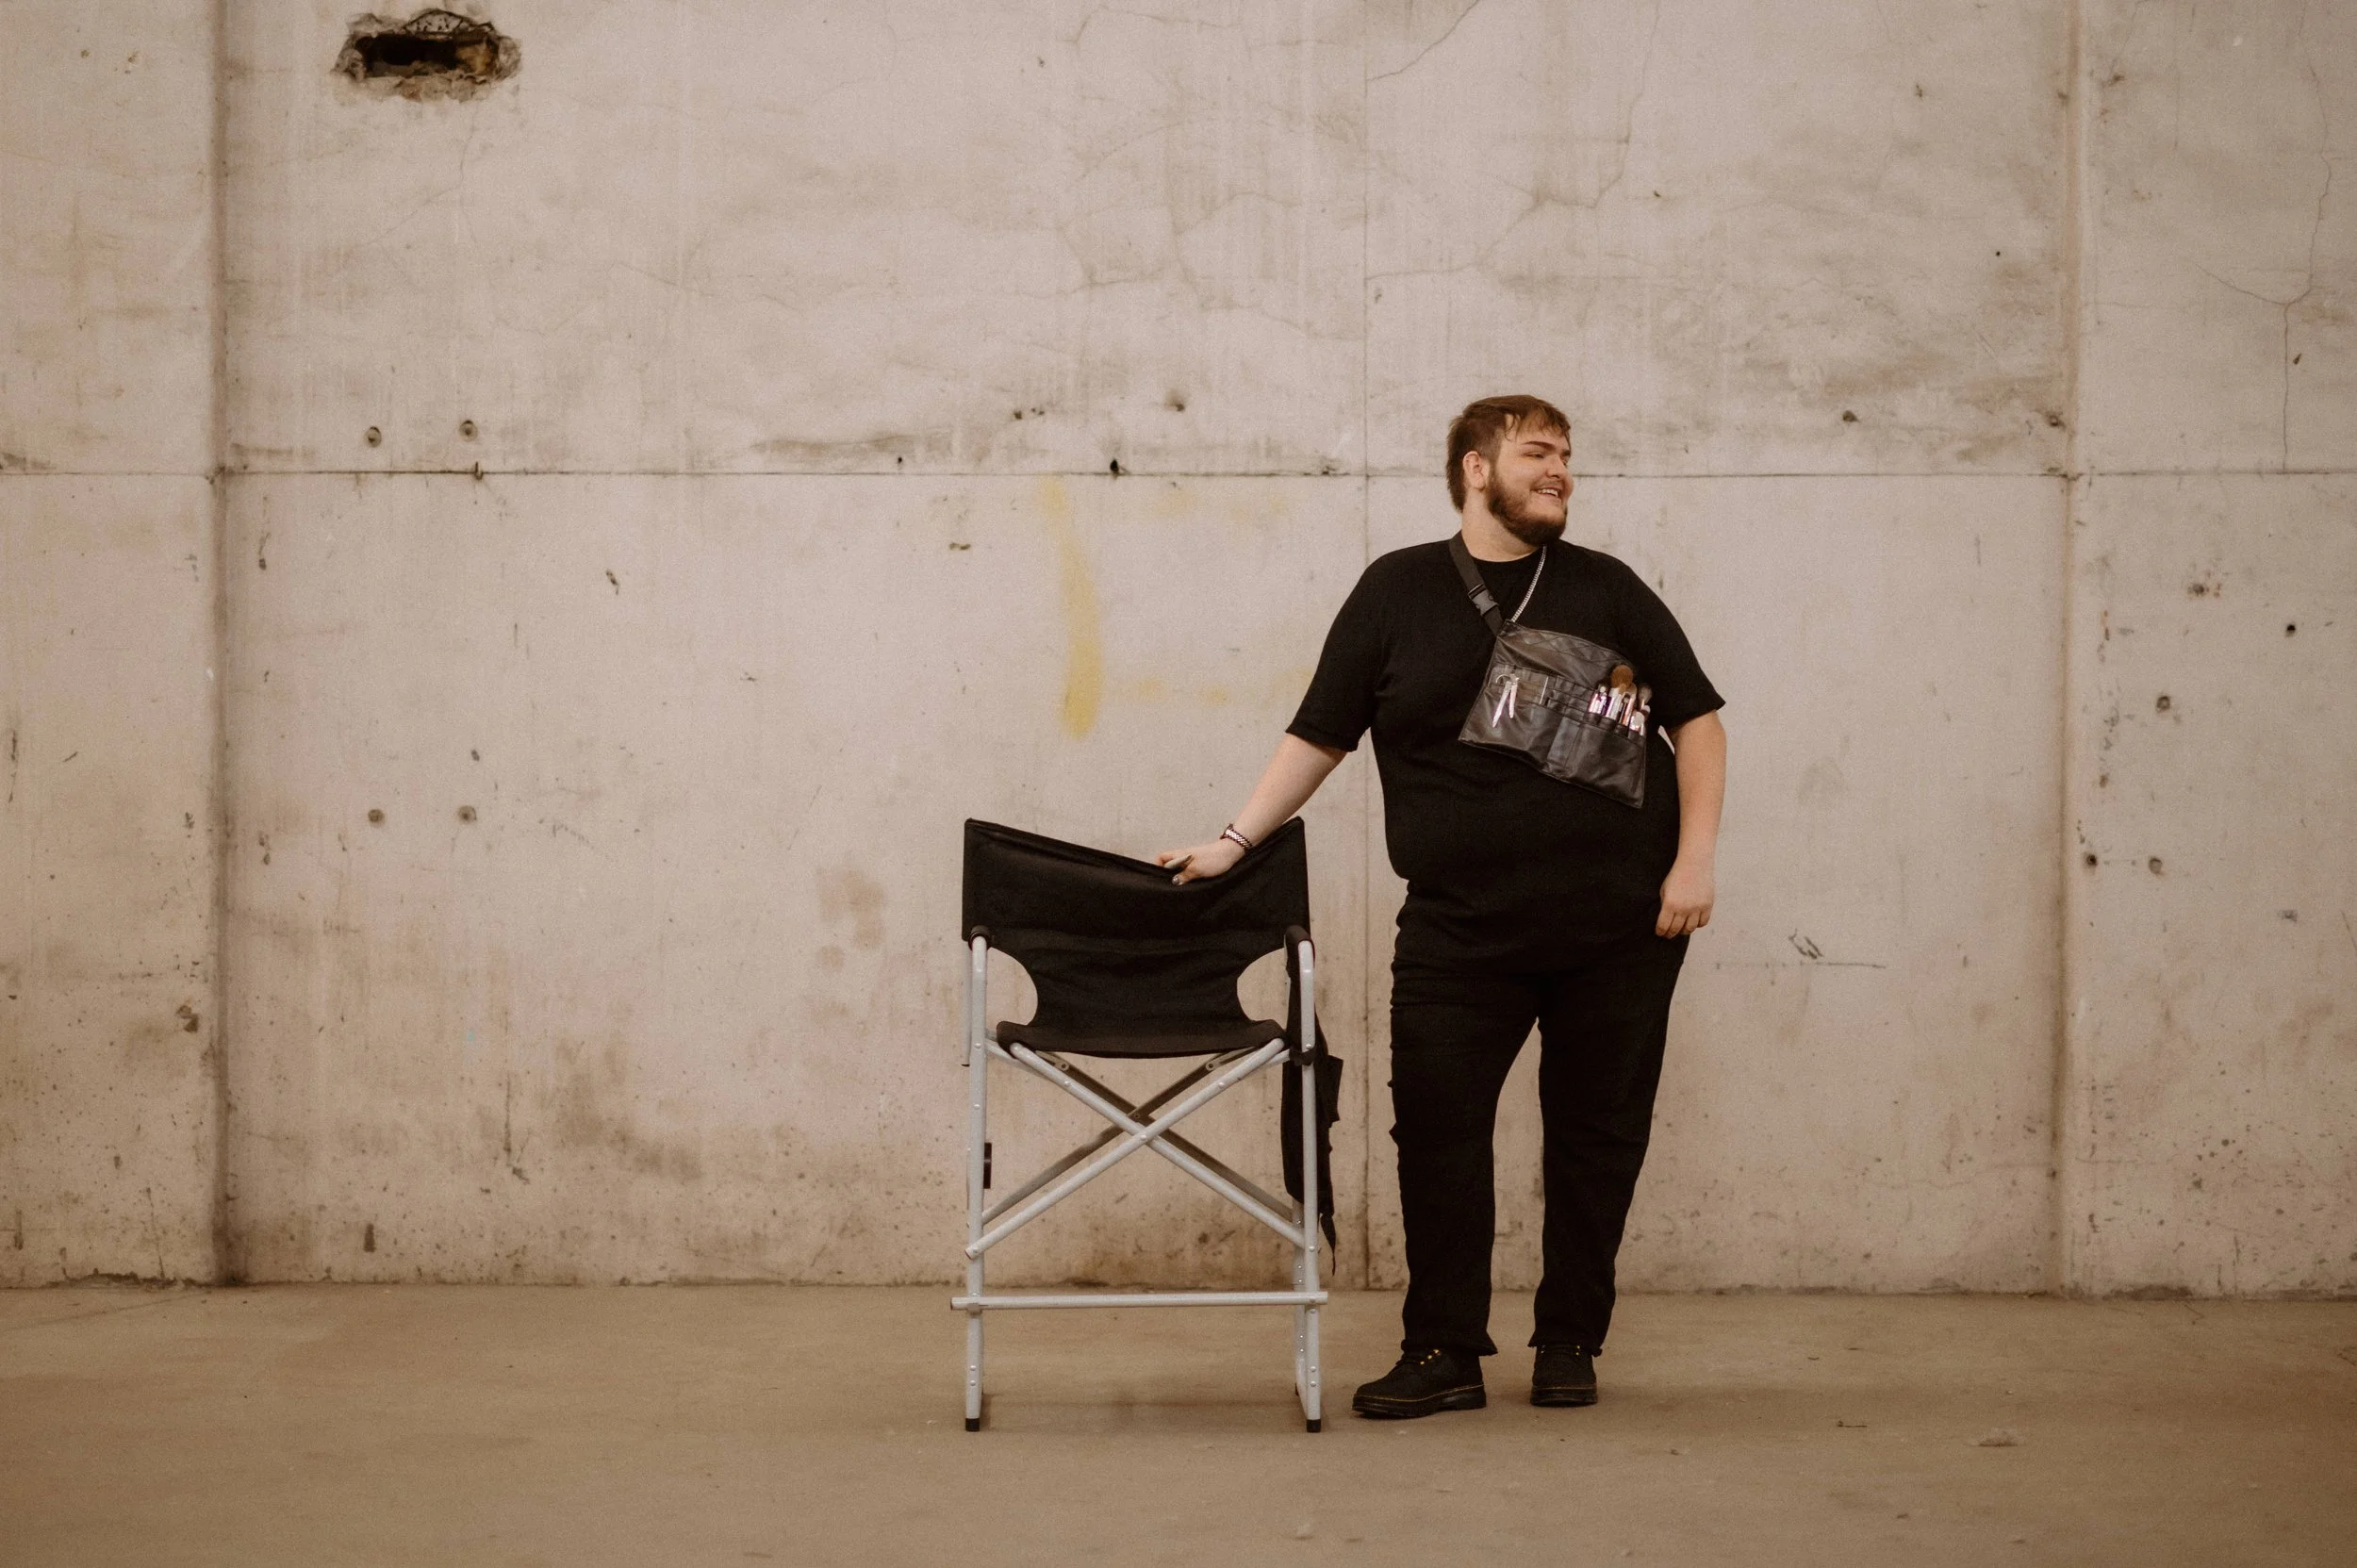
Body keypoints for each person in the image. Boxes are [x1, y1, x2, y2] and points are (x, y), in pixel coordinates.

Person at [1158, 394, 1726, 1418]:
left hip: (1618, 927)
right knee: (1436, 1130)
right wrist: (1234, 840)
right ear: (1475, 467)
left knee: (1597, 1135)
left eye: (1567, 455)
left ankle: (1569, 1341)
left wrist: (1693, 863)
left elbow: (1699, 722)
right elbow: (1321, 733)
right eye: (1537, 452)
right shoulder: (1397, 590)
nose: (1559, 470)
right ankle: (1444, 1348)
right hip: (1459, 928)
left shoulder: (1606, 587)